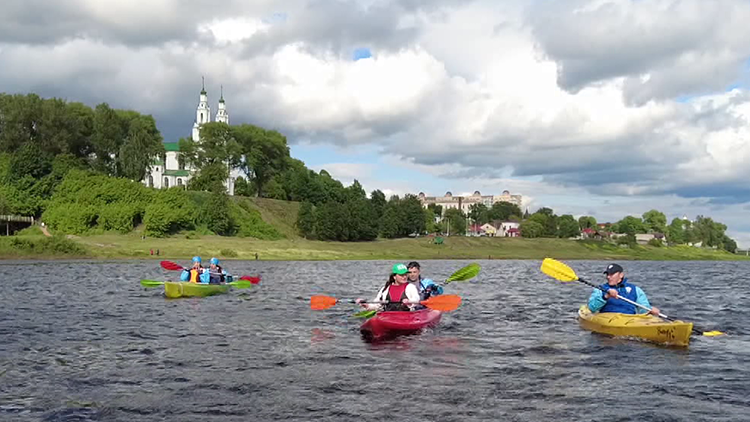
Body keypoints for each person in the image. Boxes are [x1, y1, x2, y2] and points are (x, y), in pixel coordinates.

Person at [588, 263, 660, 315]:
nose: (608, 277)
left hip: (629, 320)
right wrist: (606, 297)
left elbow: (643, 309)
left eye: (612, 274)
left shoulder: (635, 290)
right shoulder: (600, 289)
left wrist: (649, 310)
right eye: (607, 274)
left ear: (621, 275)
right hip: (608, 320)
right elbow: (592, 308)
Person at [356, 263, 420, 312]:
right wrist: (366, 305)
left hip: (406, 316)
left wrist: (409, 301)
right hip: (388, 315)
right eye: (401, 275)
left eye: (405, 274)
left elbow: (416, 299)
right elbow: (377, 304)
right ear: (394, 277)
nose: (404, 277)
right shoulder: (386, 288)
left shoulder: (410, 287)